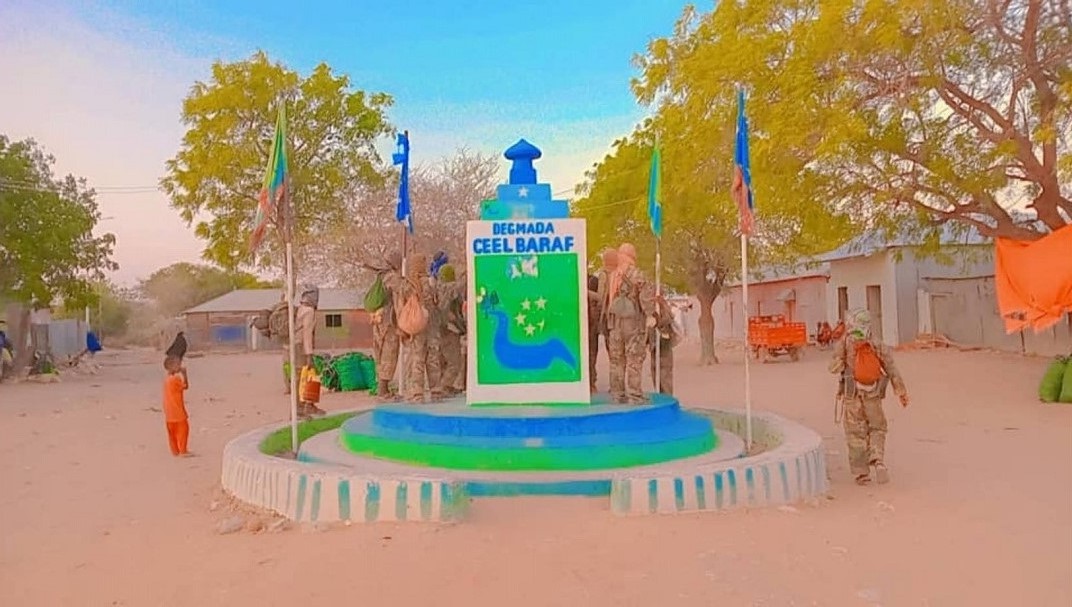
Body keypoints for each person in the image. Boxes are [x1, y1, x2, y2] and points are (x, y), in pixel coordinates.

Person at [829, 308, 910, 485]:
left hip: (852, 395)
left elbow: (833, 367)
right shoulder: (877, 343)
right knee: (878, 428)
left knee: (855, 433)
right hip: (873, 394)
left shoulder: (846, 342)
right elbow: (891, 368)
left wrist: (842, 360)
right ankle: (878, 460)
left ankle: (862, 473)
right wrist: (901, 392)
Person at [386, 253, 442, 403]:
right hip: (432, 326)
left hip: (416, 328)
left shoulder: (408, 284)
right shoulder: (431, 282)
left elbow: (400, 302)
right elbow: (438, 302)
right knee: (433, 359)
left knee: (417, 359)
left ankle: (417, 394)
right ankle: (436, 392)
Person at [606, 243, 656, 404]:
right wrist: (650, 315)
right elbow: (646, 298)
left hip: (615, 324)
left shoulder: (613, 275)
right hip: (633, 324)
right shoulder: (638, 274)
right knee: (634, 358)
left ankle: (618, 394)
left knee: (616, 360)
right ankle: (635, 395)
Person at [370, 253, 402, 401]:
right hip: (388, 322)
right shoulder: (392, 277)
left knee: (380, 353)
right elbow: (403, 291)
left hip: (377, 320)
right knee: (389, 354)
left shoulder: (380, 276)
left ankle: (382, 389)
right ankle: (383, 391)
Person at [294, 286, 325, 418]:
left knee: (305, 376)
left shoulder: (300, 309)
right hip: (302, 347)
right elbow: (307, 334)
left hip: (296, 345)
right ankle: (301, 408)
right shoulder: (309, 311)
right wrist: (309, 355)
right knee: (305, 377)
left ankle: (308, 405)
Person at [437, 263, 466, 397]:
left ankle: (443, 385)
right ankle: (445, 386)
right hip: (451, 328)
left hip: (437, 328)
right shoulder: (452, 288)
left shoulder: (436, 288)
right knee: (455, 361)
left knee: (443, 359)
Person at [593, 249, 619, 391]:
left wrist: (584, 291)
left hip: (609, 319)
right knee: (619, 354)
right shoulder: (621, 273)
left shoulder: (604, 274)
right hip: (621, 318)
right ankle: (619, 386)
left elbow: (600, 297)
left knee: (612, 353)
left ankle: (615, 386)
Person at [648, 291, 680, 396]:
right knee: (656, 377)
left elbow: (668, 319)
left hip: (664, 347)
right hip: (654, 348)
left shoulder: (664, 307)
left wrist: (657, 322)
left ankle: (668, 399)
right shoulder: (651, 309)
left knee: (665, 379)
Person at [162, 355, 191, 457]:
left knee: (172, 433)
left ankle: (175, 451)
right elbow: (185, 386)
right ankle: (183, 450)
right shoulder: (176, 379)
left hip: (169, 412)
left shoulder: (166, 379)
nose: (180, 366)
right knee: (183, 430)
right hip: (178, 411)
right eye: (178, 364)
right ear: (172, 366)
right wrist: (185, 375)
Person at [586, 274, 602, 393]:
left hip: (591, 325)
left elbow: (601, 297)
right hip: (578, 324)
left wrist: (586, 293)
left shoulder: (593, 280)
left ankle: (591, 383)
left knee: (592, 355)